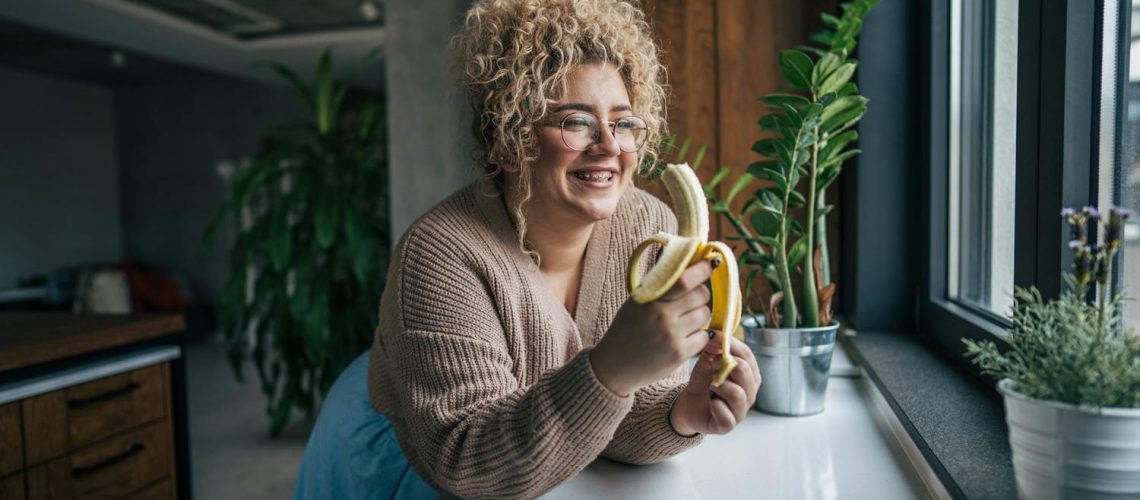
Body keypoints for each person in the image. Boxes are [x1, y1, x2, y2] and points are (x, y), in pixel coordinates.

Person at [368, 0, 762, 497]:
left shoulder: (651, 227)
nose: (609, 146)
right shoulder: (437, 257)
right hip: (410, 464)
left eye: (623, 123)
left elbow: (609, 416)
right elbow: (466, 462)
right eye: (576, 122)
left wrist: (680, 412)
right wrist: (611, 366)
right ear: (508, 140)